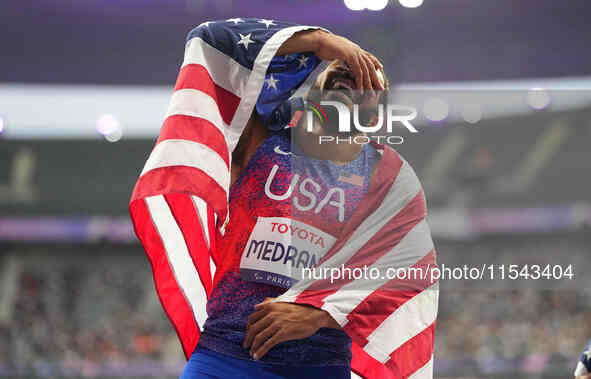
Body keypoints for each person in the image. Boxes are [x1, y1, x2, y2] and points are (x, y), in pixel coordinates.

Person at [130, 18, 437, 379]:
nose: (352, 76)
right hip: (226, 355)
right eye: (343, 70)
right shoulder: (261, 138)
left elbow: (406, 279)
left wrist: (318, 313)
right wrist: (322, 43)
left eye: (368, 79)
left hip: (318, 364)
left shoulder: (388, 178)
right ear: (314, 87)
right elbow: (210, 41)